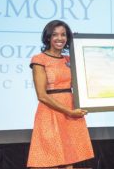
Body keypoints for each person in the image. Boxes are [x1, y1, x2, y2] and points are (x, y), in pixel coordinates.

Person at [27, 20, 94, 169]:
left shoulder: (70, 60)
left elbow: (91, 79)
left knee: (68, 159)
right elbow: (42, 95)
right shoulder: (39, 59)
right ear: (48, 37)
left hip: (70, 113)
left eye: (63, 34)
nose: (60, 38)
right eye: (55, 34)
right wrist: (69, 111)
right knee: (47, 160)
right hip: (50, 113)